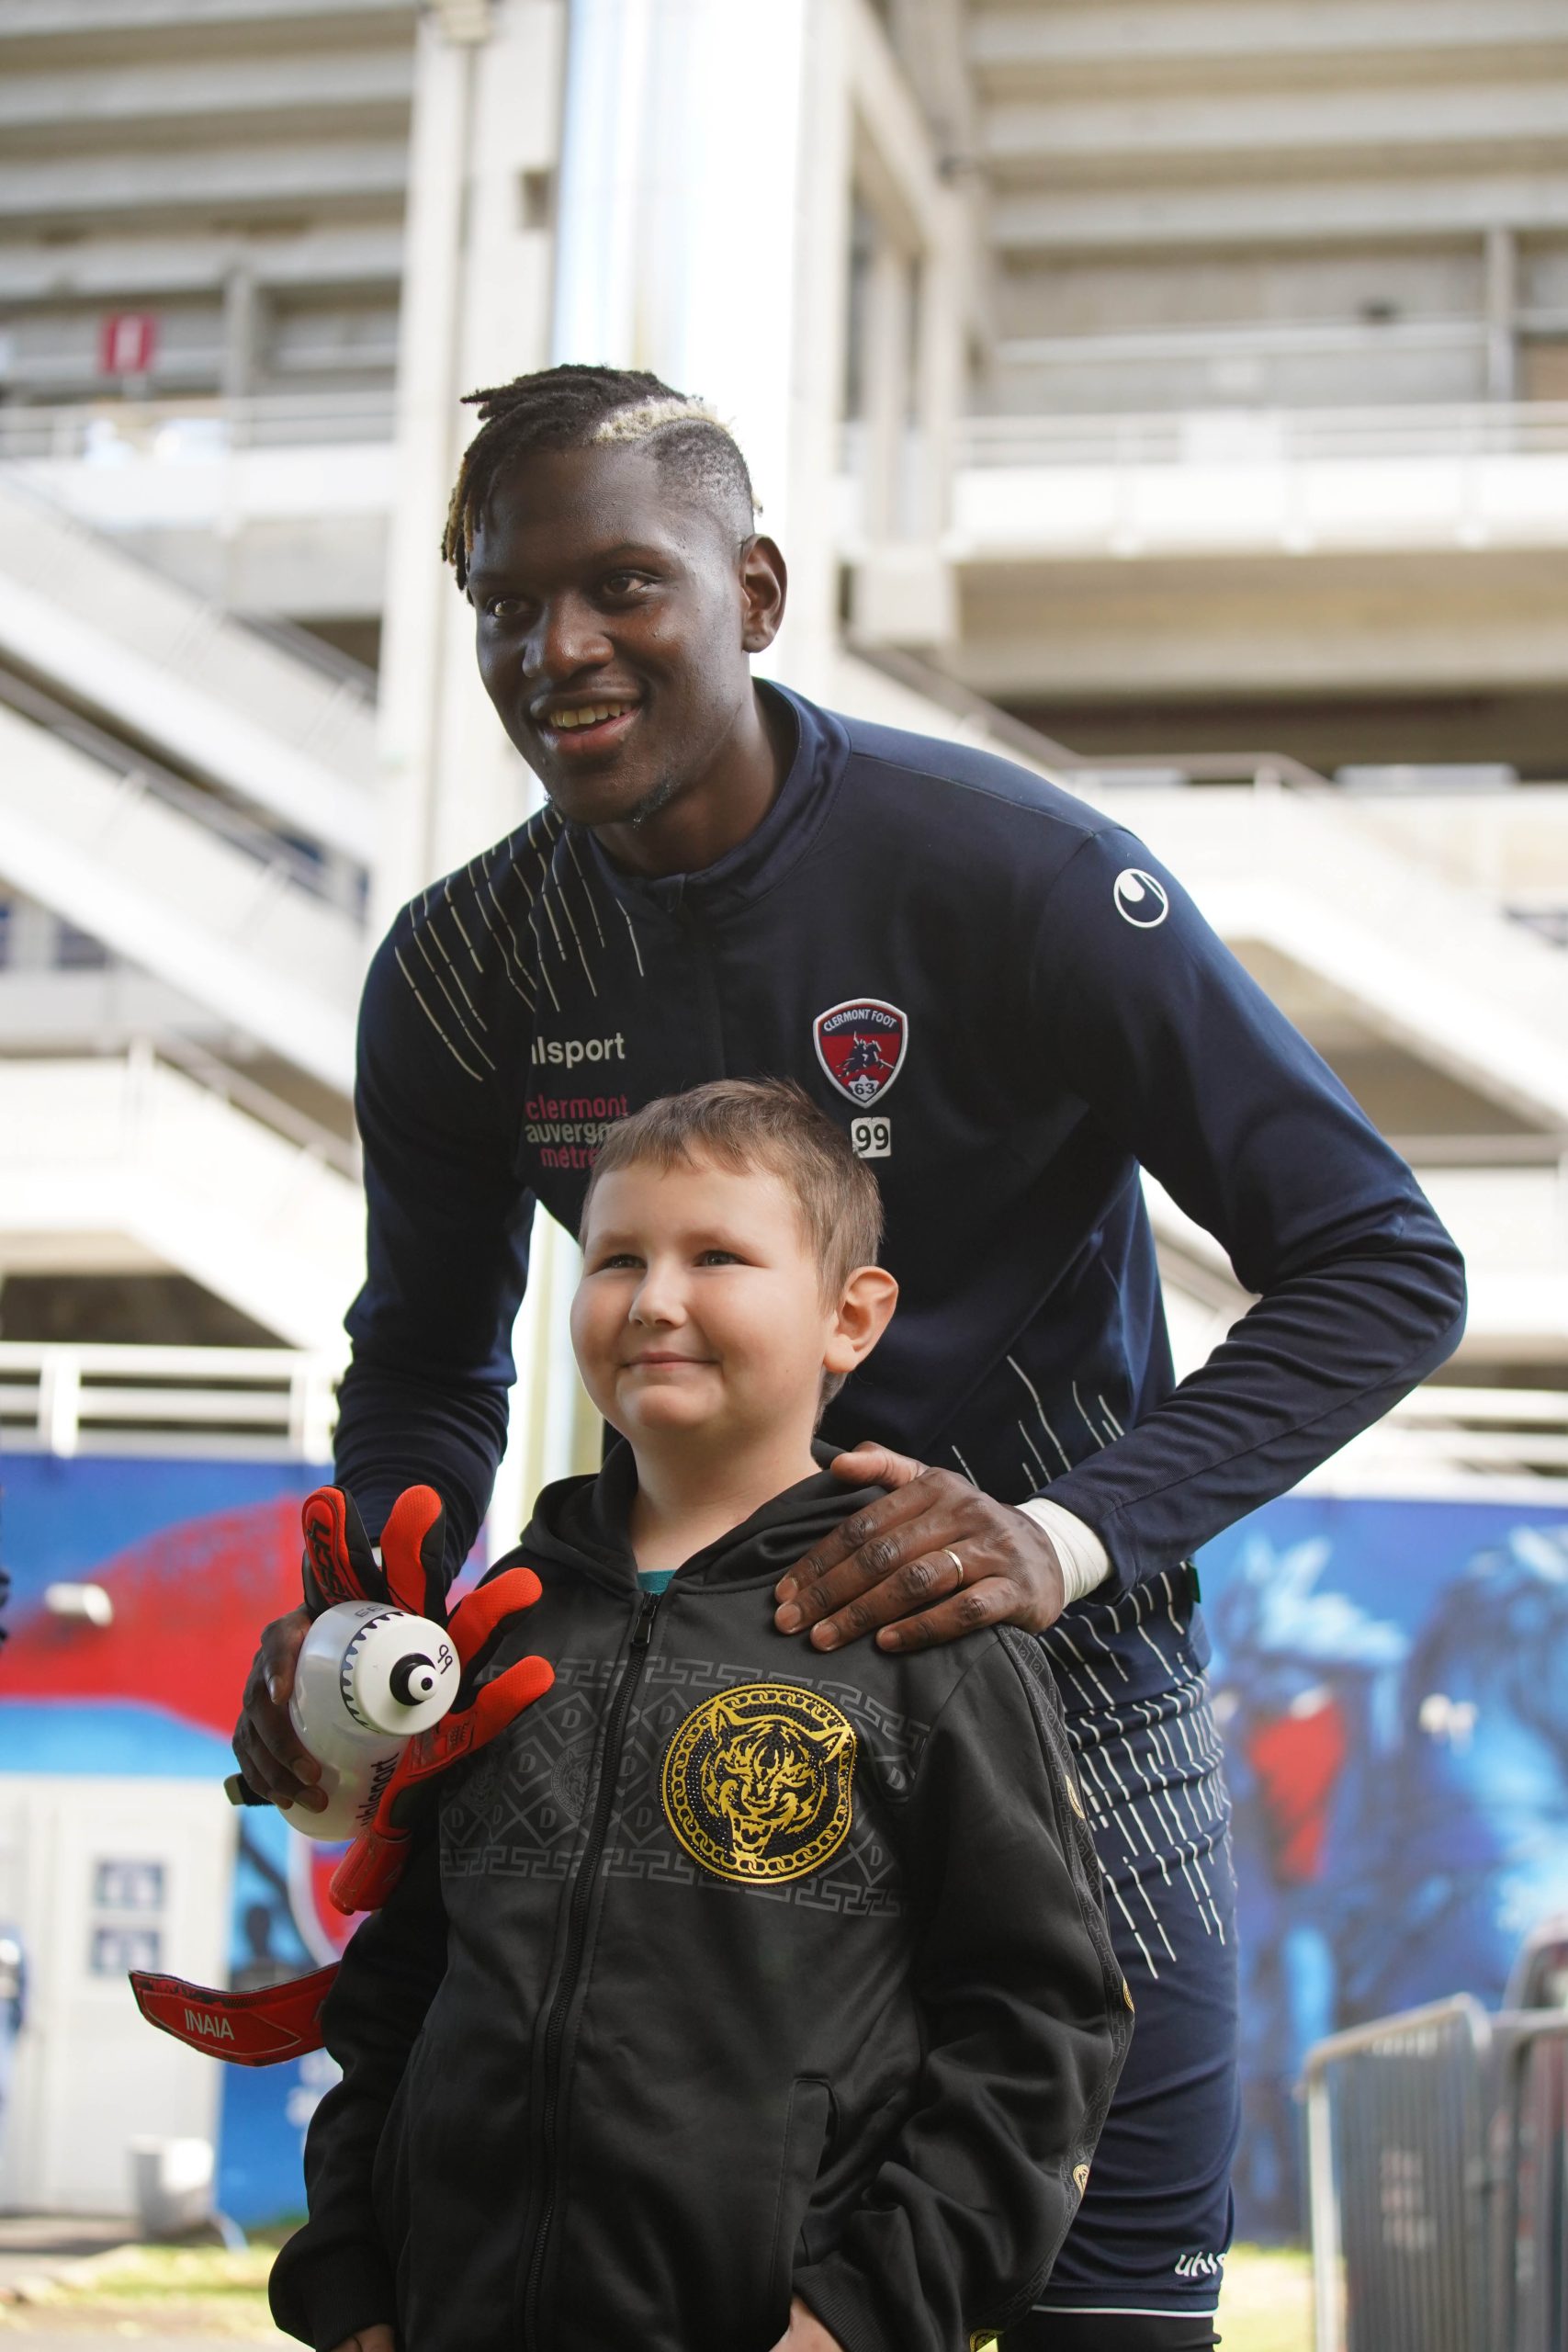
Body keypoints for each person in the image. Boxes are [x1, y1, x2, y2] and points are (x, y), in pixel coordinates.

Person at [234, 365, 1466, 2349]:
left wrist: (1058, 1535)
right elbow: (427, 1367)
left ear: (756, 589)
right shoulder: (463, 974)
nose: (555, 647)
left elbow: (1378, 1260)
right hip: (667, 1735)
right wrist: (364, 1633)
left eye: (617, 584)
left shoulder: (1016, 876)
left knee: (1107, 2315)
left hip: (1070, 1718)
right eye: (499, 603)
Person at [267, 1078, 1132, 2352]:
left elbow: (1042, 2026)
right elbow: (401, 1985)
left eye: (716, 1255)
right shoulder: (498, 1626)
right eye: (616, 1257)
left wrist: (860, 2319)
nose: (655, 1298)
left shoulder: (919, 1636)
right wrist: (347, 2283)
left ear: (852, 1317)